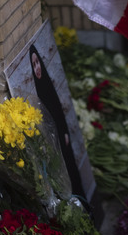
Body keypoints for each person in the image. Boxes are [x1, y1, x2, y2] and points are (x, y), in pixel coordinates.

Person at [30, 45, 86, 200]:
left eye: (37, 63)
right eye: (33, 65)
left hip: (62, 138)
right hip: (51, 144)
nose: (37, 68)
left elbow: (58, 113)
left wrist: (64, 133)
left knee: (70, 170)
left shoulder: (47, 86)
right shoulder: (37, 89)